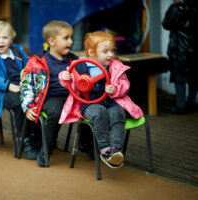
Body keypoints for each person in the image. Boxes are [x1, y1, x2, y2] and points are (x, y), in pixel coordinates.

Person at [60, 31, 143, 168]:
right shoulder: (79, 66)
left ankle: (117, 149)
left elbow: (125, 84)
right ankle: (105, 150)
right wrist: (65, 77)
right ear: (92, 53)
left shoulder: (115, 66)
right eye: (105, 52)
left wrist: (115, 89)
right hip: (89, 104)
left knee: (118, 113)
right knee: (99, 112)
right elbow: (68, 79)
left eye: (112, 51)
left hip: (111, 101)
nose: (110, 55)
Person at [20, 20, 88, 167]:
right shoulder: (37, 61)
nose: (70, 41)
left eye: (71, 37)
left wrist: (79, 77)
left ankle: (86, 143)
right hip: (49, 97)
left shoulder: (74, 60)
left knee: (91, 108)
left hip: (73, 97)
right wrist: (28, 106)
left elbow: (85, 81)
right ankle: (47, 149)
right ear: (51, 41)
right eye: (66, 38)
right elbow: (27, 85)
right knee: (55, 112)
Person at [0, 20, 40, 160]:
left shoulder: (18, 51)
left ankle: (36, 135)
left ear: (11, 39)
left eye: (5, 38)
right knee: (20, 103)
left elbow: (29, 66)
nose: (1, 41)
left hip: (20, 88)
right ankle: (23, 139)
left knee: (37, 99)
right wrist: (8, 85)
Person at [162, 0, 198, 114]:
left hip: (180, 49)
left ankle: (180, 106)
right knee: (194, 77)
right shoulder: (195, 7)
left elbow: (165, 23)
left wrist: (173, 6)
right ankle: (191, 104)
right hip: (194, 47)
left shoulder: (177, 8)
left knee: (179, 77)